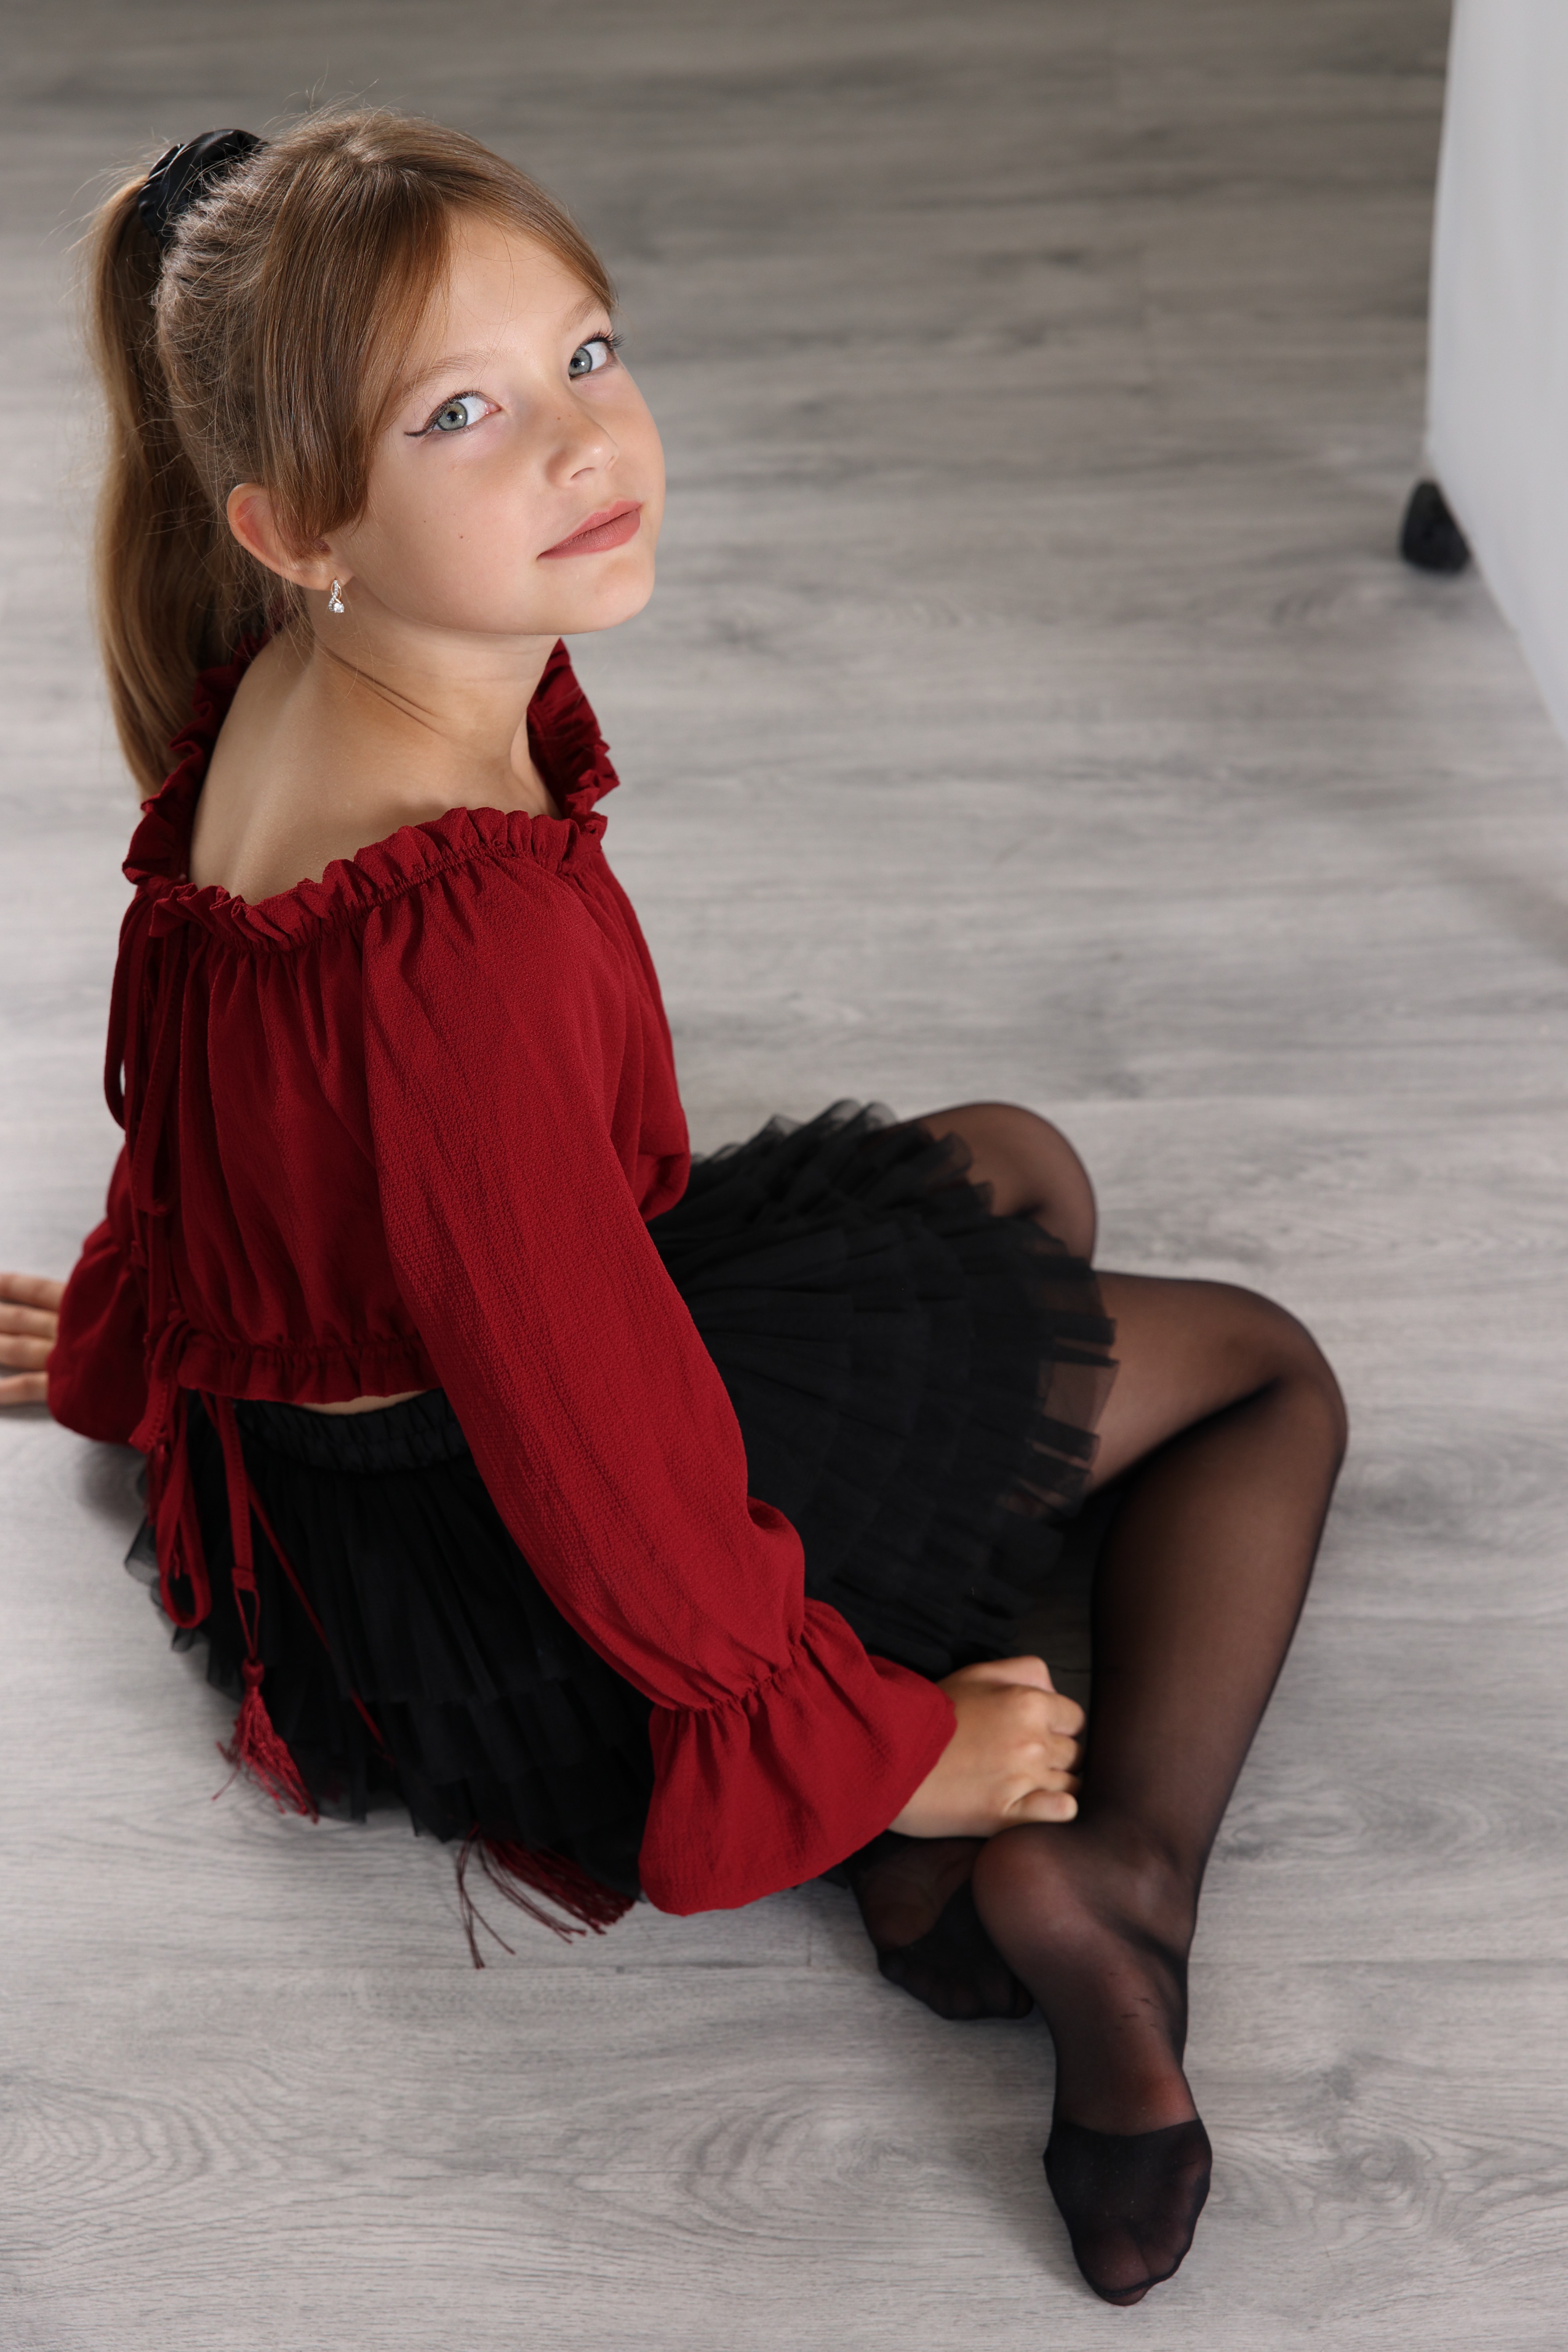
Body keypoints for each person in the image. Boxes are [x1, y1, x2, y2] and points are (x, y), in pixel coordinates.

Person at [0, 113, 1347, 2307]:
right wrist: (879, 1750)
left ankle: (920, 1873)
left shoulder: (288, 687)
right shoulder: (460, 941)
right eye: (462, 414)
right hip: (512, 1579)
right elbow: (592, 1439)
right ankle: (1112, 1878)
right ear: (298, 523)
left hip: (361, 1503)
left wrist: (144, 1334)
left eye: (587, 352)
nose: (579, 439)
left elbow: (223, 1122)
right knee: (1267, 1376)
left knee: (1017, 1169)